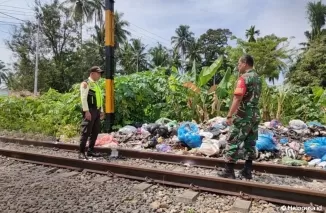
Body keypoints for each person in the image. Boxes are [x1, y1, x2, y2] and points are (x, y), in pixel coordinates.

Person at [218, 54, 262, 179]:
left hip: (243, 114)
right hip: (254, 115)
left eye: (239, 64)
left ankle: (229, 171)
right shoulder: (258, 79)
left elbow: (237, 98)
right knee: (250, 143)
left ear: (245, 63)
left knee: (233, 140)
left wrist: (229, 115)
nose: (238, 66)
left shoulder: (244, 78)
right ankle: (247, 171)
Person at [79, 66, 105, 159]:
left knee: (95, 131)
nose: (100, 75)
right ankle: (81, 152)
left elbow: (99, 98)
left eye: (100, 73)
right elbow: (83, 98)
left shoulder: (96, 84)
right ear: (92, 73)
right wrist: (86, 111)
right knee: (86, 131)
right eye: (98, 73)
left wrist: (101, 111)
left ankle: (90, 151)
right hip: (89, 110)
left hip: (97, 110)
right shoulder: (86, 83)